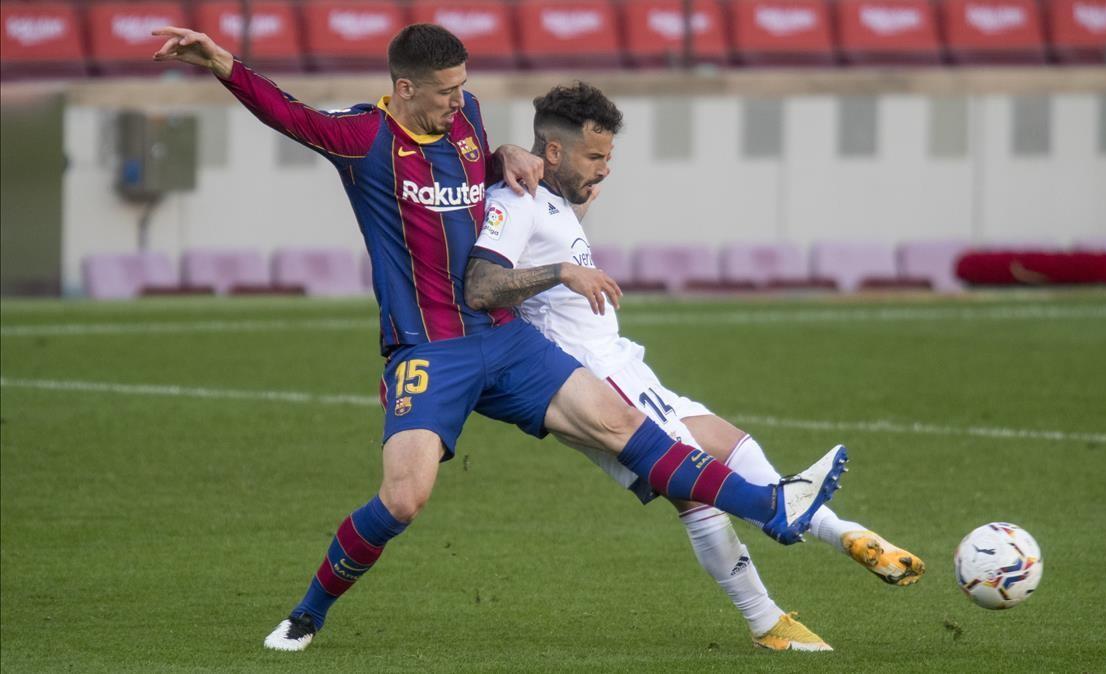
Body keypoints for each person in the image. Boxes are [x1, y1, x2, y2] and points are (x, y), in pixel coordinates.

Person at [151, 25, 848, 653]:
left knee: (622, 421)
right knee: (404, 498)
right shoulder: (364, 139)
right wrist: (221, 62)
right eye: (447, 91)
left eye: (464, 87)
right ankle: (306, 615)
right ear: (403, 88)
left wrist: (501, 154)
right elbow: (292, 115)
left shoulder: (468, 121)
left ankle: (774, 508)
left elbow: (474, 164)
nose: (461, 100)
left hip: (506, 339)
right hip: (429, 350)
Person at [465, 82, 926, 652]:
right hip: (589, 381)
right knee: (696, 489)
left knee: (728, 443)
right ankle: (768, 623)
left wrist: (533, 164)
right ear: (554, 153)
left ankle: (848, 534)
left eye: (610, 156)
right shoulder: (517, 202)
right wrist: (561, 270)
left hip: (623, 363)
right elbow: (482, 285)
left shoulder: (550, 195)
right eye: (595, 156)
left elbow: (558, 202)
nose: (606, 169)